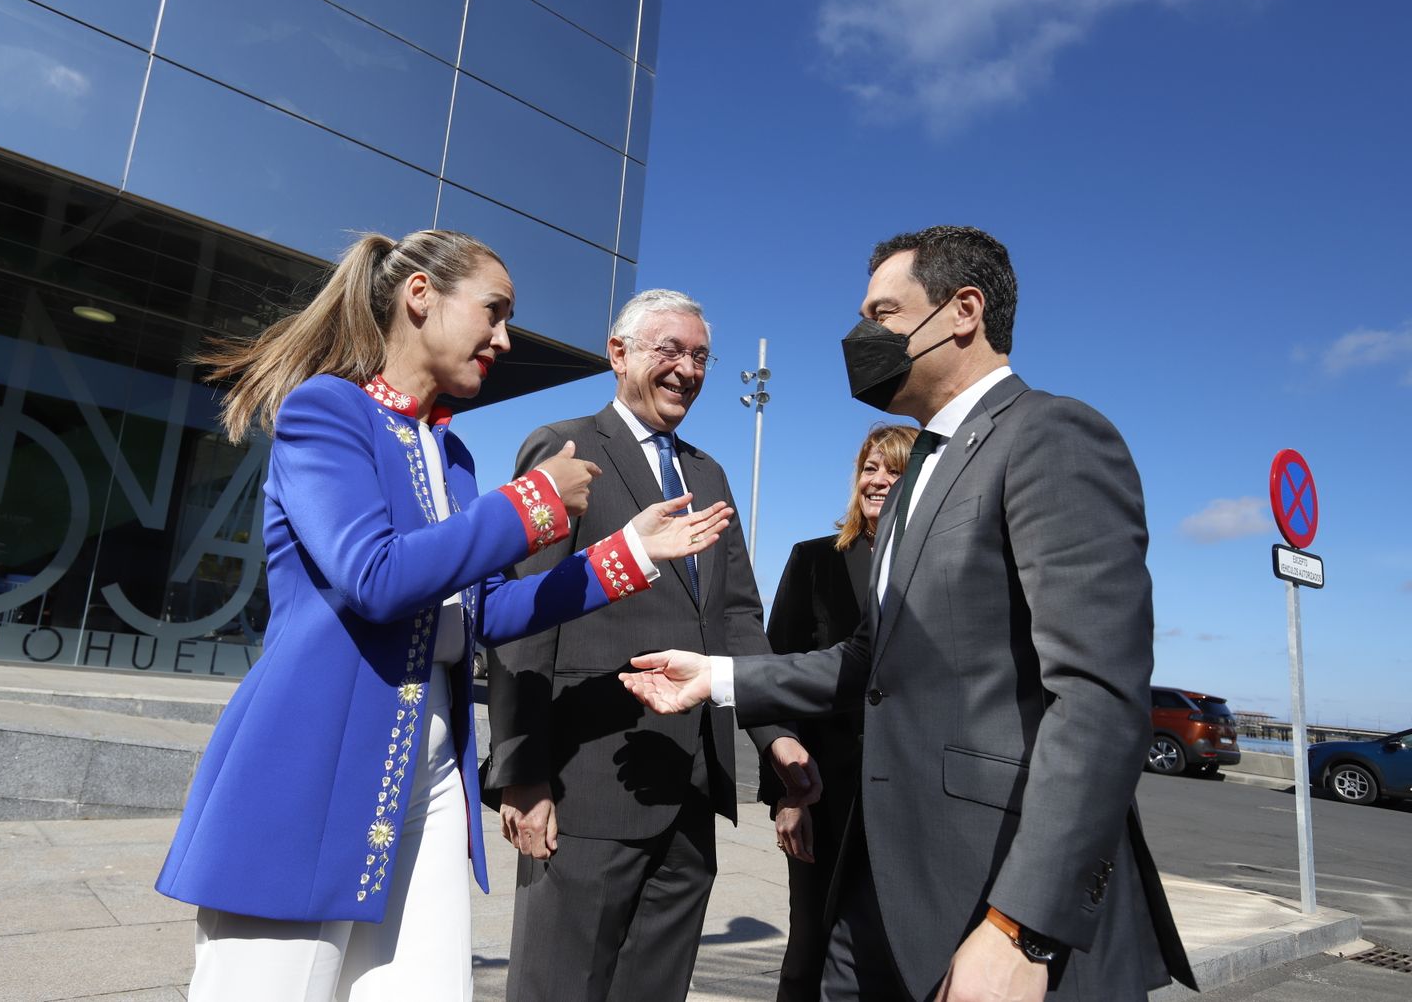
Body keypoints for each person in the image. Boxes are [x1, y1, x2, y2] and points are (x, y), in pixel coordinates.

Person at [154, 231, 734, 1002]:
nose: (504, 338)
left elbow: (485, 610)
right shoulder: (328, 411)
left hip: (429, 773)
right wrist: (530, 503)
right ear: (419, 296)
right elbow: (375, 577)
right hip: (311, 761)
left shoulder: (451, 455)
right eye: (493, 312)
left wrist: (628, 552)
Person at [620, 227, 1196, 1002]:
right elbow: (867, 665)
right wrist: (717, 678)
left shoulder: (1052, 436)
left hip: (996, 898)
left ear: (963, 311)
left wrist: (1024, 927)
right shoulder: (923, 468)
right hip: (879, 888)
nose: (862, 336)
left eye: (883, 313)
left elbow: (1099, 698)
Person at [485, 289, 819, 1002]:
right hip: (585, 789)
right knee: (560, 988)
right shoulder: (565, 449)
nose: (687, 370)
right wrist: (522, 768)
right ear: (619, 354)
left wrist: (776, 737)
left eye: (700, 356)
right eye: (669, 350)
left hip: (691, 789)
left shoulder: (709, 475)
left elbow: (737, 620)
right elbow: (525, 617)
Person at [759, 423, 916, 1002]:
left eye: (893, 470)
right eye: (869, 468)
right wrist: (788, 794)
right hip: (826, 794)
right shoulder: (814, 561)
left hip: (913, 802)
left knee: (897, 960)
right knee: (810, 950)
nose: (877, 481)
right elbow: (778, 678)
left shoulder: (937, 568)